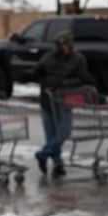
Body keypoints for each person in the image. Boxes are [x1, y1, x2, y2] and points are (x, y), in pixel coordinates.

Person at [28, 30, 94, 178]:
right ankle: (58, 165)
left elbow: (82, 78)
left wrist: (63, 83)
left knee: (64, 132)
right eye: (60, 44)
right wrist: (32, 77)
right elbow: (37, 73)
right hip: (47, 100)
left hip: (65, 100)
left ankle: (42, 154)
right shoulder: (48, 57)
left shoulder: (78, 59)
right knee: (51, 135)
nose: (63, 47)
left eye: (65, 44)